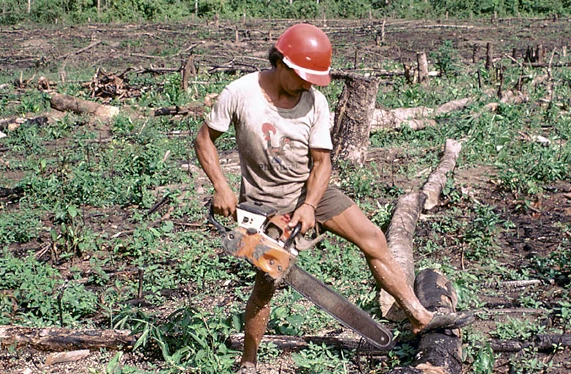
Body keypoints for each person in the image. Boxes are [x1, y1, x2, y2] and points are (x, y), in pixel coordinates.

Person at [194, 23, 474, 374]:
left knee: (372, 237)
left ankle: (419, 316)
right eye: (303, 76)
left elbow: (322, 162)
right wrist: (222, 187)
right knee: (267, 283)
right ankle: (248, 361)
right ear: (282, 63)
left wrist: (310, 205)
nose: (309, 84)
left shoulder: (316, 101)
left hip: (311, 190)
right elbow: (204, 140)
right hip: (262, 202)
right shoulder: (240, 92)